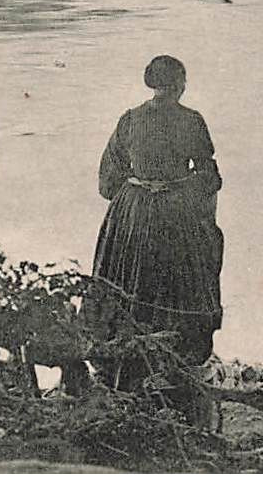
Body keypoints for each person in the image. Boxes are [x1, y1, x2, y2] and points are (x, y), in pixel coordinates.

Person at [86, 55, 224, 396]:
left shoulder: (130, 120)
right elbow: (209, 177)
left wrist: (136, 191)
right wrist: (181, 191)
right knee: (185, 278)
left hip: (132, 214)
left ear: (151, 84)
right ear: (180, 85)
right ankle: (178, 358)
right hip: (176, 212)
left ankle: (125, 358)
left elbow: (107, 183)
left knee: (126, 278)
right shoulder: (192, 121)